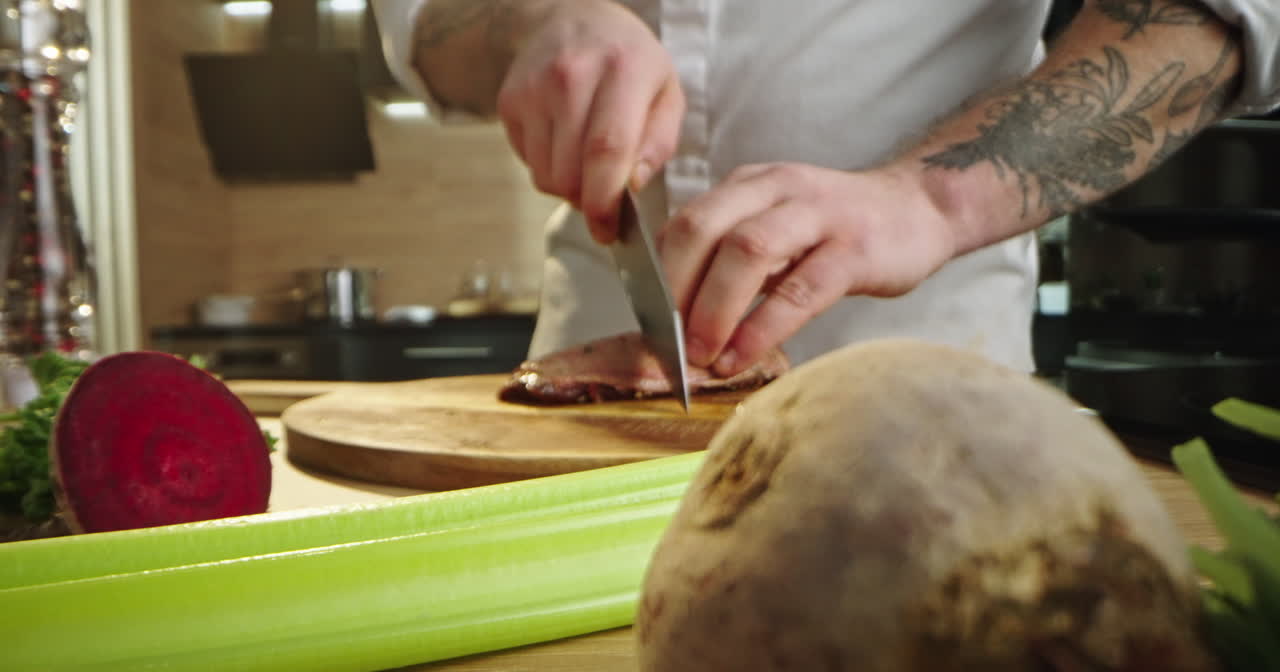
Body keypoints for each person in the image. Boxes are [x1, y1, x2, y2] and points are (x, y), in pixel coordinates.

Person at [369, 0, 1279, 377]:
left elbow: (1223, 13)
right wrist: (533, 18)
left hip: (930, 399)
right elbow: (426, 21)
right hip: (595, 383)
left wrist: (932, 200)